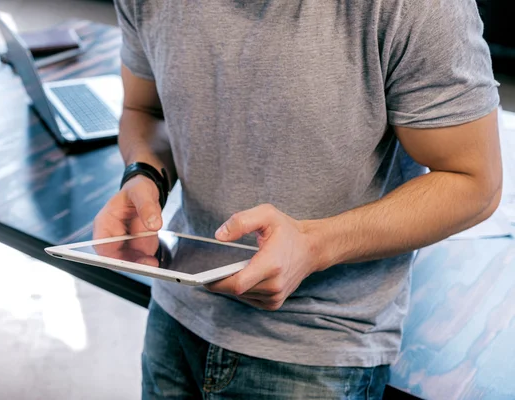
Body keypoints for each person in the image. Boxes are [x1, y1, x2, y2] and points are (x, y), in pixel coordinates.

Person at [93, 0, 502, 398]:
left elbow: (474, 182)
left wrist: (313, 245)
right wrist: (145, 176)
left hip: (318, 342)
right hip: (178, 304)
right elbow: (145, 108)